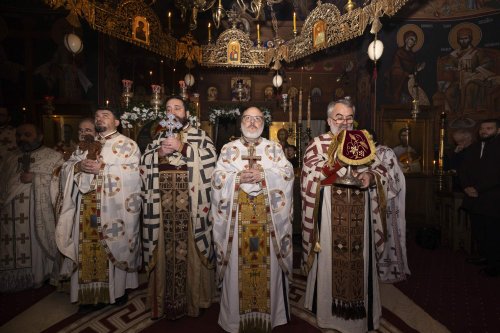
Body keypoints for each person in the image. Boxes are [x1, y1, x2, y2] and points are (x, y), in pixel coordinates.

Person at [301, 98, 409, 332]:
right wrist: (336, 166)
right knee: (330, 262)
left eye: (349, 117)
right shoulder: (319, 143)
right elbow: (309, 175)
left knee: (361, 262)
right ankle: (329, 316)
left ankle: (362, 316)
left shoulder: (362, 141)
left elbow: (381, 169)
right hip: (330, 217)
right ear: (330, 120)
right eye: (339, 117)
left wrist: (370, 177)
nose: (344, 122)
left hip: (362, 220)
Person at [211, 106, 294, 332]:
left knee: (269, 265)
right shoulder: (228, 150)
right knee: (237, 266)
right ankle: (234, 320)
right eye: (248, 118)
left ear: (264, 124)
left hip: (269, 224)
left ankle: (272, 316)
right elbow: (217, 180)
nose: (253, 123)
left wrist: (264, 175)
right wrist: (237, 178)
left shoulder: (274, 149)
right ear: (241, 123)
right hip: (236, 223)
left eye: (258, 119)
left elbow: (288, 174)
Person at [56, 107, 141, 312]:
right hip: (86, 206)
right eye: (96, 116)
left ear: (117, 122)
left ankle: (117, 291)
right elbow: (67, 168)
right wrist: (78, 167)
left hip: (114, 209)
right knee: (86, 247)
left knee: (115, 245)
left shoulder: (127, 145)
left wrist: (103, 169)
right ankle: (88, 296)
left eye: (105, 115)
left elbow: (135, 174)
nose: (99, 118)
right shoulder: (85, 144)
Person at [141, 96, 217, 319]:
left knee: (192, 247)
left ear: (187, 112)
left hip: (192, 206)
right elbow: (144, 164)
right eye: (168, 108)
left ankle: (197, 298)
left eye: (177, 107)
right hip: (162, 208)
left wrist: (183, 148)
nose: (172, 111)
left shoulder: (200, 135)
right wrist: (159, 154)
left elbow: (212, 161)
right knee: (163, 247)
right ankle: (163, 300)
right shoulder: (157, 138)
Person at [0, 123, 64, 292]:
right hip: (9, 215)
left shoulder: (53, 157)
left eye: (27, 135)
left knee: (35, 248)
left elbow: (61, 184)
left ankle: (38, 275)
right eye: (19, 135)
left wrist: (36, 178)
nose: (22, 139)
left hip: (36, 214)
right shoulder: (10, 158)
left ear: (40, 136)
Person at [459, 119, 500, 277]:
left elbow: (496, 174)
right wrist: (467, 187)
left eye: (489, 128)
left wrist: (478, 188)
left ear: (497, 131)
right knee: (479, 230)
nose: (484, 131)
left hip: (493, 198)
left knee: (493, 233)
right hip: (474, 198)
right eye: (482, 128)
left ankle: (495, 264)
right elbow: (463, 169)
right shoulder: (474, 147)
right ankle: (485, 257)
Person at [388, 30, 425, 104]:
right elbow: (395, 69)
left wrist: (418, 69)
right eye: (411, 39)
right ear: (406, 39)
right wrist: (406, 74)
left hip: (410, 81)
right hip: (400, 80)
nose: (412, 42)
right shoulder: (399, 52)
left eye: (414, 41)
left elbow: (413, 70)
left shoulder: (412, 55)